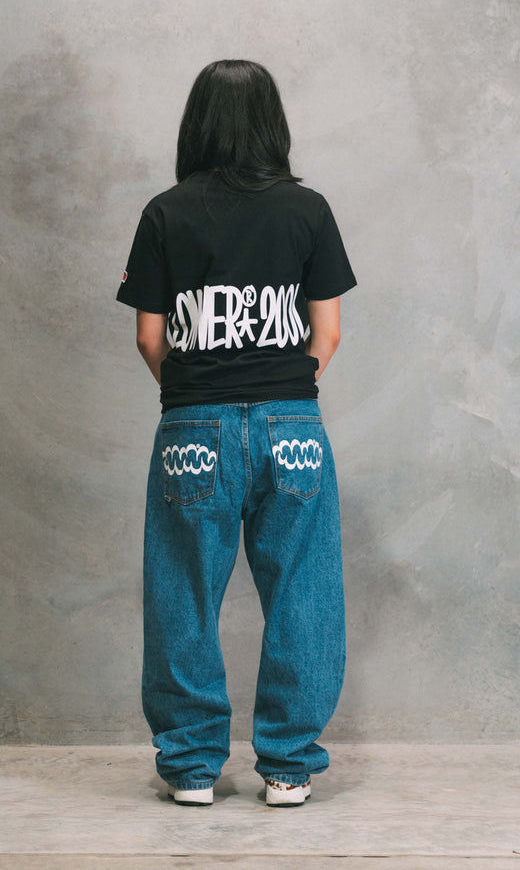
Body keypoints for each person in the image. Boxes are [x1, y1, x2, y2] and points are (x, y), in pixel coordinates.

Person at [115, 59, 357, 808]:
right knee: (303, 593)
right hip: (292, 424)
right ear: (272, 125)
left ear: (196, 125)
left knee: (182, 592)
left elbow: (148, 337)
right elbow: (327, 333)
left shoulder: (164, 213)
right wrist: (283, 394)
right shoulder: (308, 210)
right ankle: (288, 767)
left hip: (194, 424)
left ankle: (192, 767)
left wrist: (196, 396)